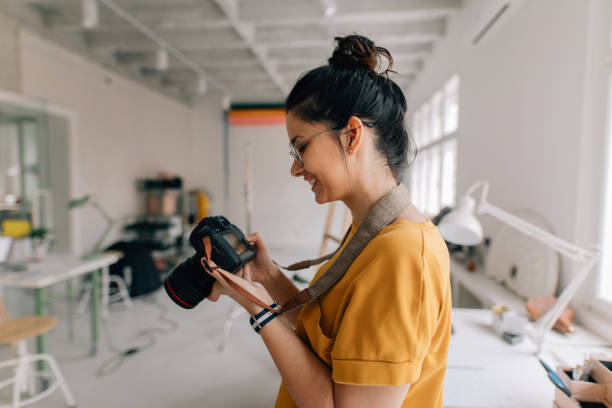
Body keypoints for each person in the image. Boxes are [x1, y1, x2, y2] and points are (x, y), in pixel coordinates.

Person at [207, 34, 452, 408]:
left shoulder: (402, 254)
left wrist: (258, 311)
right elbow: (328, 337)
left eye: (301, 147)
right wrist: (269, 277)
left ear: (352, 135)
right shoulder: (372, 231)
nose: (295, 168)